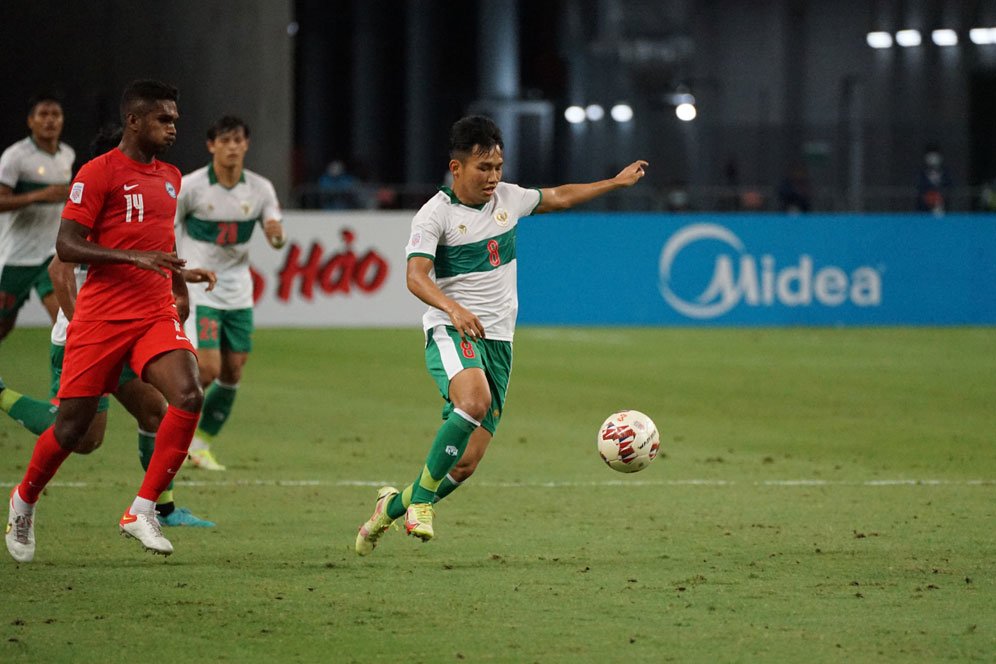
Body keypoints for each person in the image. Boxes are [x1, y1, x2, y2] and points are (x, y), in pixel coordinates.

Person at [354, 115, 647, 555]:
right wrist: (452, 309)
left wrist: (615, 182)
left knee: (467, 462)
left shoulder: (509, 199)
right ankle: (421, 506)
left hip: (499, 343)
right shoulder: (435, 214)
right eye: (483, 168)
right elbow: (415, 276)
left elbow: (561, 197)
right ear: (456, 169)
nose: (493, 177)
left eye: (498, 167)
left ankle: (393, 506)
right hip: (452, 330)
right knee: (473, 402)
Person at [5, 79, 204, 563]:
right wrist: (130, 259)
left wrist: (179, 278)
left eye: (175, 119)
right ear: (134, 121)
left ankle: (142, 510)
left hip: (153, 310)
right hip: (102, 317)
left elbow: (160, 242)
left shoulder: (172, 177)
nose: (173, 127)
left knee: (187, 394)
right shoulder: (97, 173)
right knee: (73, 430)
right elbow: (66, 247)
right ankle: (24, 500)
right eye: (164, 119)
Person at [174, 115, 285, 471]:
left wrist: (275, 233)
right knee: (206, 369)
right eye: (225, 140)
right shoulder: (191, 187)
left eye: (239, 140)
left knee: (233, 371)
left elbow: (275, 229)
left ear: (246, 145)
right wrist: (175, 273)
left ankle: (201, 443)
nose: (233, 147)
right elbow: (168, 227)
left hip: (238, 289)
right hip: (201, 287)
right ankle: (172, 436)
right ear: (212, 146)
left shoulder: (259, 188)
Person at [0, 93, 75, 344]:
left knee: (66, 323)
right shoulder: (15, 157)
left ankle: (65, 382)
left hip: (50, 256)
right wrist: (40, 195)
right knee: (4, 326)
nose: (50, 120)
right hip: (16, 258)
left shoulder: (67, 155)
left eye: (56, 114)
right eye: (43, 114)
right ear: (31, 121)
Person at [915, 144, 952, 215]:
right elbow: (920, 192)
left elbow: (950, 190)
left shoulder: (946, 175)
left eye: (935, 156)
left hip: (944, 212)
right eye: (930, 157)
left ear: (940, 158)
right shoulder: (921, 176)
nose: (933, 159)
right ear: (926, 158)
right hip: (924, 213)